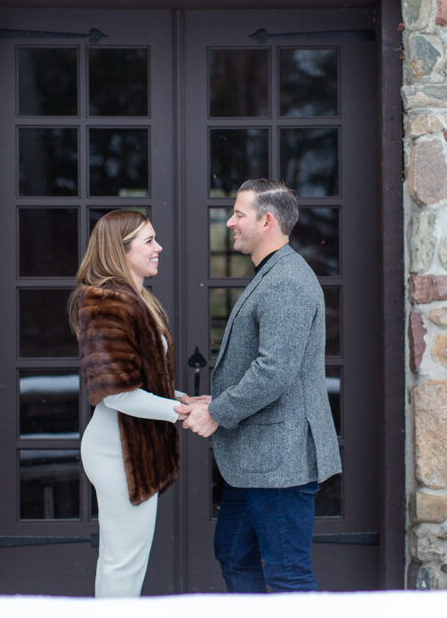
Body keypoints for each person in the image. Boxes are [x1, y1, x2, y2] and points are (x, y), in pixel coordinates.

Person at [176, 179, 342, 593]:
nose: (230, 222)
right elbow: (269, 366)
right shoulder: (273, 274)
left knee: (288, 572)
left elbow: (274, 371)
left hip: (280, 463)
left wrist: (217, 412)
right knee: (233, 553)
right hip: (258, 460)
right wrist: (218, 399)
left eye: (238, 214)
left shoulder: (286, 280)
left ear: (267, 220)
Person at [68, 210, 197, 597]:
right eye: (148, 241)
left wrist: (180, 398)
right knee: (122, 563)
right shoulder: (107, 302)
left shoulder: (136, 301)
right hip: (118, 454)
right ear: (120, 250)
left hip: (135, 450)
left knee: (126, 560)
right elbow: (117, 393)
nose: (158, 248)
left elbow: (141, 383)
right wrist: (180, 412)